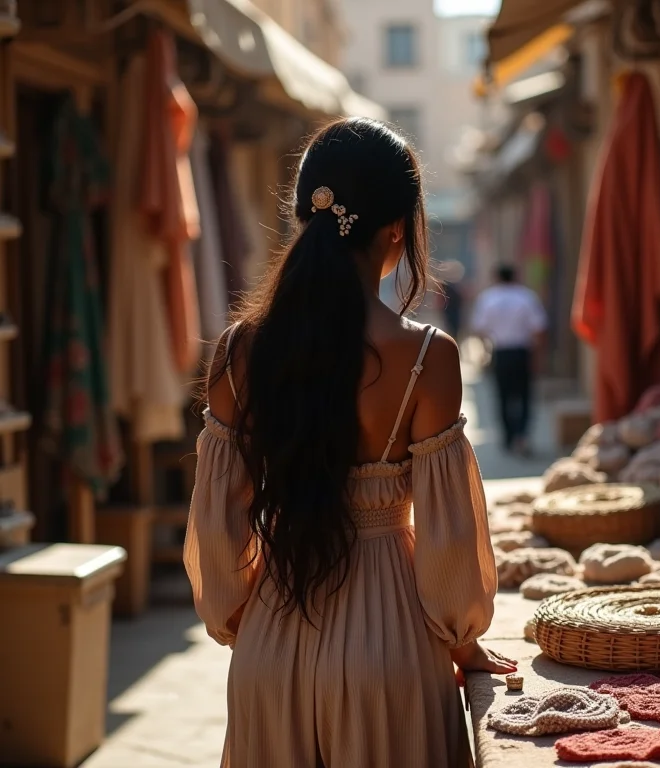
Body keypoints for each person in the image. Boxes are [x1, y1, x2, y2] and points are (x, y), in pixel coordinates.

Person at [184, 118, 516, 768]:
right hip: (393, 650)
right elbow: (449, 539)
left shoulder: (236, 352)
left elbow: (218, 529)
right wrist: (462, 636)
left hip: (269, 647)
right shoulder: (427, 356)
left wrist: (239, 623)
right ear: (398, 227)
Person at [472, 265, 547, 454]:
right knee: (524, 396)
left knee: (503, 397)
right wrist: (537, 356)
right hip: (522, 352)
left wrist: (486, 349)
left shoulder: (488, 298)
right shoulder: (526, 296)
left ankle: (508, 437)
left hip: (500, 353)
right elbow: (539, 329)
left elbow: (479, 329)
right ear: (515, 276)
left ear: (496, 277)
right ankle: (522, 435)